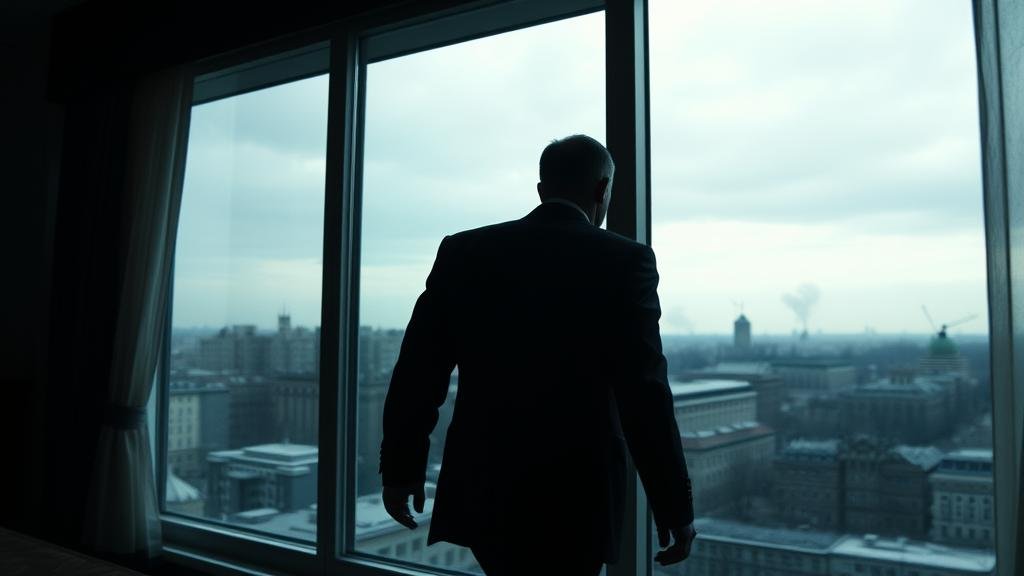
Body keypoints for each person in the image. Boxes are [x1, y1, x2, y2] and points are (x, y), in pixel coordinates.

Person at [379, 134, 696, 575]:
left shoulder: (464, 251)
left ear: (542, 191)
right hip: (576, 494)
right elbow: (645, 394)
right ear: (602, 190)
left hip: (485, 485)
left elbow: (418, 372)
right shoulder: (625, 261)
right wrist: (674, 507)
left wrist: (399, 468)